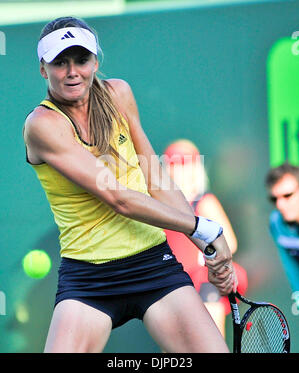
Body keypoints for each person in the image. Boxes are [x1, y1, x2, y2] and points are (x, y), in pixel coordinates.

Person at [23, 16, 237, 353]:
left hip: (152, 265)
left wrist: (203, 245)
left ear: (95, 61)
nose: (72, 71)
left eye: (81, 59)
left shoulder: (118, 93)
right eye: (60, 62)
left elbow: (153, 173)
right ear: (43, 69)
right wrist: (204, 228)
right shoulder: (43, 124)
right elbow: (117, 196)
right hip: (88, 279)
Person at [163, 139, 248, 336]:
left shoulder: (203, 201)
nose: (181, 170)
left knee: (211, 342)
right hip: (175, 285)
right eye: (175, 164)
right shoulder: (163, 204)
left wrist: (205, 256)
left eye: (186, 163)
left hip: (204, 283)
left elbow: (229, 243)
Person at [265, 163, 299, 294]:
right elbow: (291, 268)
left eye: (287, 195)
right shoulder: (276, 223)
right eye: (274, 199)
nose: (280, 204)